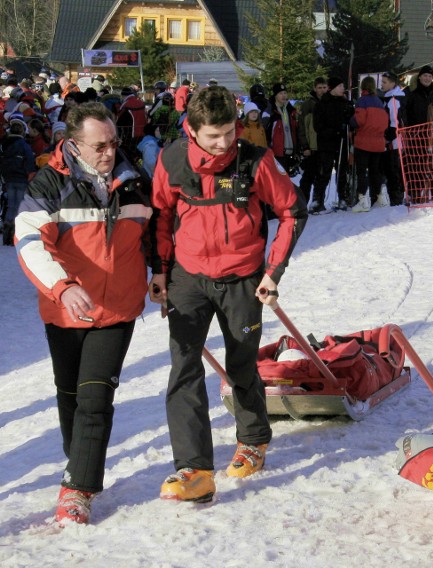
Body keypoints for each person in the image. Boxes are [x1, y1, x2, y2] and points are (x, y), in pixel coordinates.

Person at [149, 86, 307, 503]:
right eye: (214, 135)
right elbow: (161, 217)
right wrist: (160, 272)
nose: (224, 143)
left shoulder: (254, 159)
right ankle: (193, 469)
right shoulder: (172, 160)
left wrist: (273, 272)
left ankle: (253, 438)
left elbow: (292, 210)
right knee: (183, 369)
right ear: (192, 129)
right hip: (188, 277)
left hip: (243, 277)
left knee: (241, 365)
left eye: (229, 132)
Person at [15, 102, 152, 524]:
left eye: (113, 143)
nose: (109, 153)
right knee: (71, 397)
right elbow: (28, 239)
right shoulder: (49, 183)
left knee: (95, 398)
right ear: (73, 144)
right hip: (66, 310)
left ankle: (78, 489)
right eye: (99, 146)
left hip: (118, 308)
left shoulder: (133, 180)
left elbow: (158, 234)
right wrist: (63, 286)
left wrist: (163, 272)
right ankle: (79, 461)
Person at [312, 77, 352, 213]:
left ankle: (342, 197)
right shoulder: (322, 103)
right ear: (333, 88)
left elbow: (350, 120)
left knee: (342, 172)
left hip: (341, 143)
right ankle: (317, 200)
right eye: (340, 86)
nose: (342, 89)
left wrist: (349, 115)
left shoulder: (344, 102)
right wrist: (334, 131)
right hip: (326, 144)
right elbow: (318, 125)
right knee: (324, 172)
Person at [350, 76, 389, 212]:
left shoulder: (362, 101)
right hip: (378, 142)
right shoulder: (379, 101)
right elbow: (385, 122)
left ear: (362, 87)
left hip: (364, 141)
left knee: (362, 172)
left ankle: (363, 200)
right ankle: (379, 197)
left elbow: (359, 120)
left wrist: (351, 120)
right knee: (375, 171)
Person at [406, 65, 433, 203]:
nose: (427, 78)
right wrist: (408, 128)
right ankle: (414, 193)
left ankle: (430, 193)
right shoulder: (411, 92)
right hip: (415, 133)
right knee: (415, 164)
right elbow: (404, 110)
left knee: (430, 164)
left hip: (431, 134)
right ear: (419, 77)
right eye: (425, 75)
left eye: (430, 76)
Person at [1, 117, 36, 244]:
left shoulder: (5, 145)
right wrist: (30, 175)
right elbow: (30, 162)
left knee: (11, 205)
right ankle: (15, 230)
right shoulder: (25, 146)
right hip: (21, 179)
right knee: (19, 205)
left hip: (9, 179)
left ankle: (7, 225)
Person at [296, 77, 327, 205]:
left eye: (324, 87)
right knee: (308, 177)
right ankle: (303, 202)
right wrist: (305, 146)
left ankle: (318, 201)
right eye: (319, 88)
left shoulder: (329, 103)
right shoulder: (307, 105)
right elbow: (302, 128)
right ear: (315, 88)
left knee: (322, 176)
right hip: (311, 146)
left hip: (324, 146)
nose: (322, 90)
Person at [381, 71, 406, 206]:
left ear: (393, 83)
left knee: (394, 169)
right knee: (392, 169)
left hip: (395, 140)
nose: (382, 85)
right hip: (393, 139)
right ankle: (395, 196)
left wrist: (388, 138)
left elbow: (395, 122)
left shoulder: (395, 99)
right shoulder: (389, 98)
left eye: (384, 82)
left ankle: (396, 197)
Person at [265, 82, 299, 175]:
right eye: (280, 93)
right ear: (275, 95)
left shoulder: (290, 110)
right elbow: (265, 132)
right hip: (277, 153)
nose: (283, 96)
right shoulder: (271, 111)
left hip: (290, 152)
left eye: (285, 93)